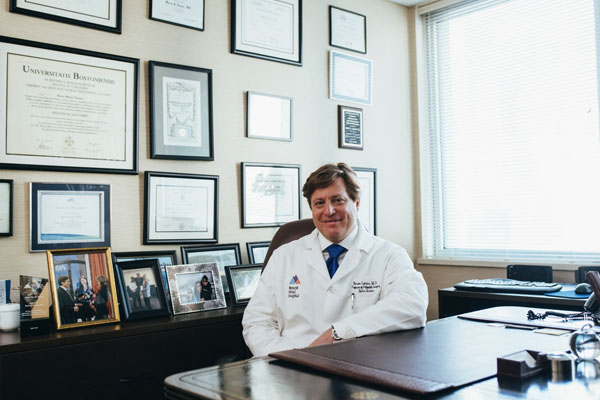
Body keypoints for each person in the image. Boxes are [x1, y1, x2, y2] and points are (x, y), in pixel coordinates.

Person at [242, 163, 428, 357]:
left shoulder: (388, 255)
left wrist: (338, 332)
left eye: (338, 200)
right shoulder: (284, 256)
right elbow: (257, 322)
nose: (329, 211)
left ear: (356, 204)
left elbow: (412, 304)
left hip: (357, 364)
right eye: (319, 203)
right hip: (289, 365)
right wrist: (290, 357)